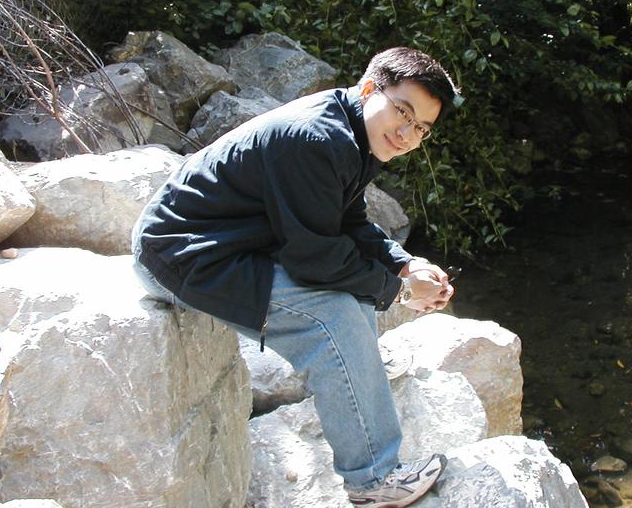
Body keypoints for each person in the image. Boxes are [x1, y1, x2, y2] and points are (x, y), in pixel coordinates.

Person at [132, 46, 459, 508]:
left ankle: (355, 390)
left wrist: (403, 263)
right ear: (369, 89)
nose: (407, 133)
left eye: (422, 128)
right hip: (180, 254)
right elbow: (314, 259)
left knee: (356, 297)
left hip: (230, 245)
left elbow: (348, 224)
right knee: (335, 315)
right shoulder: (317, 139)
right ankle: (374, 481)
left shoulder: (353, 131)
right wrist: (402, 291)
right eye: (403, 112)